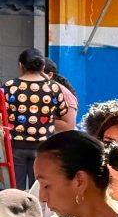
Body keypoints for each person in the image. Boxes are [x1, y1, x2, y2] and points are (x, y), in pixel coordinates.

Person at [3, 48, 69, 189]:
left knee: (16, 188)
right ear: (43, 67)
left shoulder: (9, 87)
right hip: (43, 147)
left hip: (15, 146)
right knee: (39, 188)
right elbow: (64, 110)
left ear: (21, 66)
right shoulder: (54, 88)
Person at [43, 59, 78, 133]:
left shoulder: (64, 94)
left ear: (49, 75)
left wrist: (38, 119)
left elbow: (69, 126)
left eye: (37, 75)